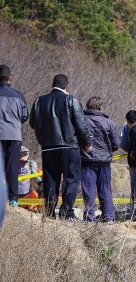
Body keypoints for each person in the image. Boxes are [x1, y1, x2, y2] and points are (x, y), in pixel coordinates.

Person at [29, 74, 91, 221]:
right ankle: (67, 212)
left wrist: (45, 133)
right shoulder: (71, 99)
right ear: (67, 86)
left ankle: (49, 213)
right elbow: (81, 125)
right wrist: (87, 143)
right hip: (69, 146)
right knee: (71, 179)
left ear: (53, 85)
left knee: (51, 180)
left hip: (48, 147)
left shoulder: (39, 101)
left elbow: (33, 123)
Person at [80, 96, 120, 223]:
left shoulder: (82, 121)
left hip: (86, 160)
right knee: (105, 189)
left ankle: (89, 217)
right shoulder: (109, 123)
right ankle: (108, 217)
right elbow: (116, 144)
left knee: (89, 190)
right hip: (104, 161)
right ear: (101, 107)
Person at [0, 64, 29, 208]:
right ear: (10, 79)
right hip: (14, 135)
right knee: (12, 167)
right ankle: (13, 198)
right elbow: (25, 115)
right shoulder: (19, 96)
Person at [17, 146, 43, 211]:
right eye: (20, 154)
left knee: (36, 195)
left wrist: (40, 182)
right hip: (14, 195)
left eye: (24, 154)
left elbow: (36, 174)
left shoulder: (30, 165)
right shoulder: (12, 164)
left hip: (26, 195)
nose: (22, 157)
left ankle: (33, 209)